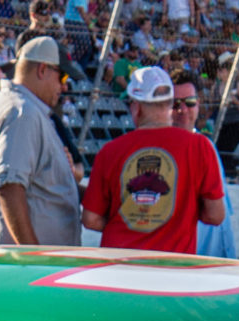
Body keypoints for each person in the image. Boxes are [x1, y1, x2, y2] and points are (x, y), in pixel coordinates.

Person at [82, 64, 221, 254]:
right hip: (171, 264)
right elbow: (215, 215)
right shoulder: (199, 146)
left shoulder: (110, 151)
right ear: (170, 104)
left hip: (119, 262)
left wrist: (130, 222)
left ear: (136, 106)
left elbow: (91, 219)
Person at [0, 33, 75, 245]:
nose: (64, 87)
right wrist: (32, 254)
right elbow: (10, 187)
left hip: (19, 258)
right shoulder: (22, 112)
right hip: (24, 261)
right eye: (63, 77)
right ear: (42, 69)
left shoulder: (14, 106)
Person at [180, 75, 235, 258]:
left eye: (190, 102)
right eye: (175, 103)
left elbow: (222, 212)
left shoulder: (206, 145)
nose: (182, 109)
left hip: (216, 248)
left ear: (198, 104)